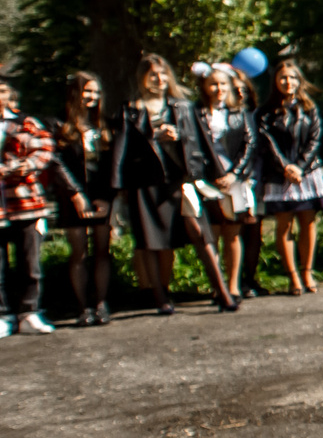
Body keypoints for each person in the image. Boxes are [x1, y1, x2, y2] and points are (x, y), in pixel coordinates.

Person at [113, 54, 213, 314]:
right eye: (153, 75)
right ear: (143, 78)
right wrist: (154, 136)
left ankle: (206, 290)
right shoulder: (131, 109)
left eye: (163, 74)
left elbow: (198, 142)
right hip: (144, 183)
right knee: (150, 240)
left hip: (178, 181)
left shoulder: (182, 106)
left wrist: (208, 172)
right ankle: (157, 295)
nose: (159, 79)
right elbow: (123, 149)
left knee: (183, 236)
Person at [258, 59, 323, 294]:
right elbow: (267, 143)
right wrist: (286, 168)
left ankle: (308, 272)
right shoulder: (266, 112)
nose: (288, 82)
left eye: (293, 77)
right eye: (283, 78)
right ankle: (293, 276)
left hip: (307, 173)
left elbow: (315, 140)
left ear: (300, 80)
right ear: (275, 82)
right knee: (284, 225)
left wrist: (299, 167)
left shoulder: (310, 108)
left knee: (308, 223)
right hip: (280, 176)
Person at [192, 64, 257, 307]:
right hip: (208, 181)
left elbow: (249, 144)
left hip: (234, 180)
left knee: (233, 232)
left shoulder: (239, 112)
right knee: (213, 234)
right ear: (204, 87)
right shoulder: (196, 114)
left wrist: (234, 174)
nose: (218, 88)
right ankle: (217, 286)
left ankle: (233, 285)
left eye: (222, 84)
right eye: (213, 84)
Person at [53, 74, 116, 324]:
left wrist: (107, 197)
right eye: (87, 91)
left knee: (102, 250)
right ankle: (82, 308)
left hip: (101, 196)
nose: (92, 97)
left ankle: (101, 304)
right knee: (78, 252)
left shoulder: (104, 124)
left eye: (96, 92)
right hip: (73, 196)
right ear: (75, 92)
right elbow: (56, 162)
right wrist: (75, 194)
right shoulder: (58, 123)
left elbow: (113, 164)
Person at [0, 78, 57, 335]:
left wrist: (29, 165)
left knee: (29, 261)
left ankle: (29, 312)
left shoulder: (26, 122)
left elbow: (45, 148)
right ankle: (3, 315)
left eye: (2, 91)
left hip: (25, 201)